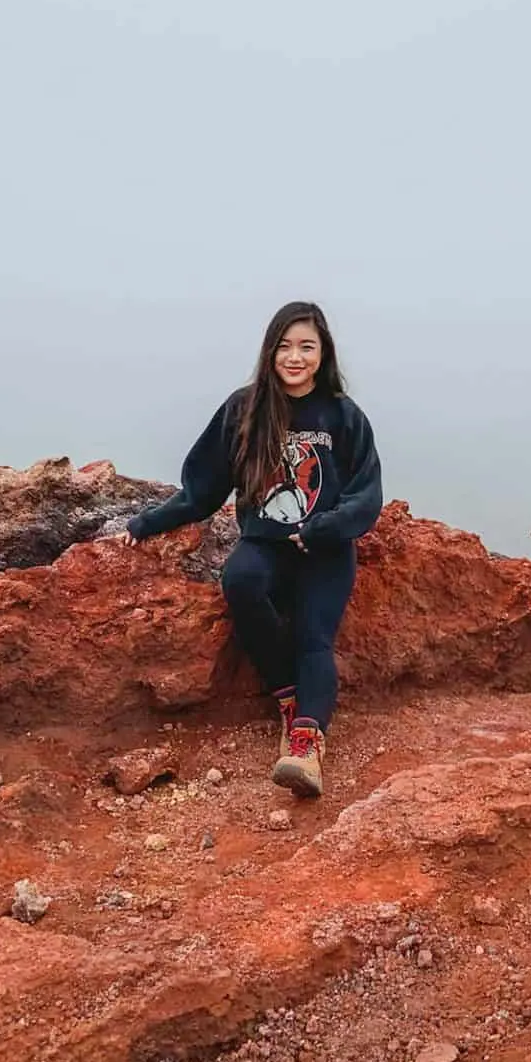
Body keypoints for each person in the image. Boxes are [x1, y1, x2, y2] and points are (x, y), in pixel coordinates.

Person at [120, 302, 382, 799]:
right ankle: (288, 693)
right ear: (269, 351)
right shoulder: (244, 408)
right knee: (239, 582)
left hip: (325, 549)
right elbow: (203, 488)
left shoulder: (344, 415)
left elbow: (366, 494)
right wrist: (148, 522)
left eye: (306, 346)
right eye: (285, 346)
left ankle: (305, 749)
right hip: (265, 542)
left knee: (314, 636)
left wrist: (326, 527)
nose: (295, 357)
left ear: (323, 353)